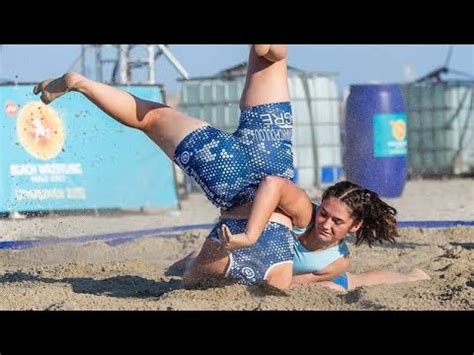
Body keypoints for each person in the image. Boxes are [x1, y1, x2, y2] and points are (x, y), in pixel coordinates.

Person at [33, 45, 297, 289]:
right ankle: (82, 84)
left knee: (153, 116)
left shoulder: (314, 235)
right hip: (235, 200)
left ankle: (82, 84)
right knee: (192, 277)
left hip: (267, 144)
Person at [217, 178, 430, 291]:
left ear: (355, 226)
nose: (326, 224)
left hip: (313, 279)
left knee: (351, 282)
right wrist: (250, 234)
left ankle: (414, 276)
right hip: (260, 260)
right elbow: (274, 184)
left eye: (337, 221)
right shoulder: (305, 215)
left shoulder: (338, 261)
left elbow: (291, 283)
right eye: (324, 214)